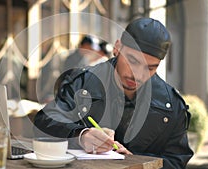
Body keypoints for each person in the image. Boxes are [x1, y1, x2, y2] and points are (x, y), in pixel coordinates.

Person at [34, 17, 193, 168]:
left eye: (150, 68)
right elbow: (45, 121)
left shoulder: (172, 105)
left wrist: (138, 164)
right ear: (117, 48)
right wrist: (80, 135)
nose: (137, 74)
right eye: (132, 60)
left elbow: (177, 160)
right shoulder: (83, 82)